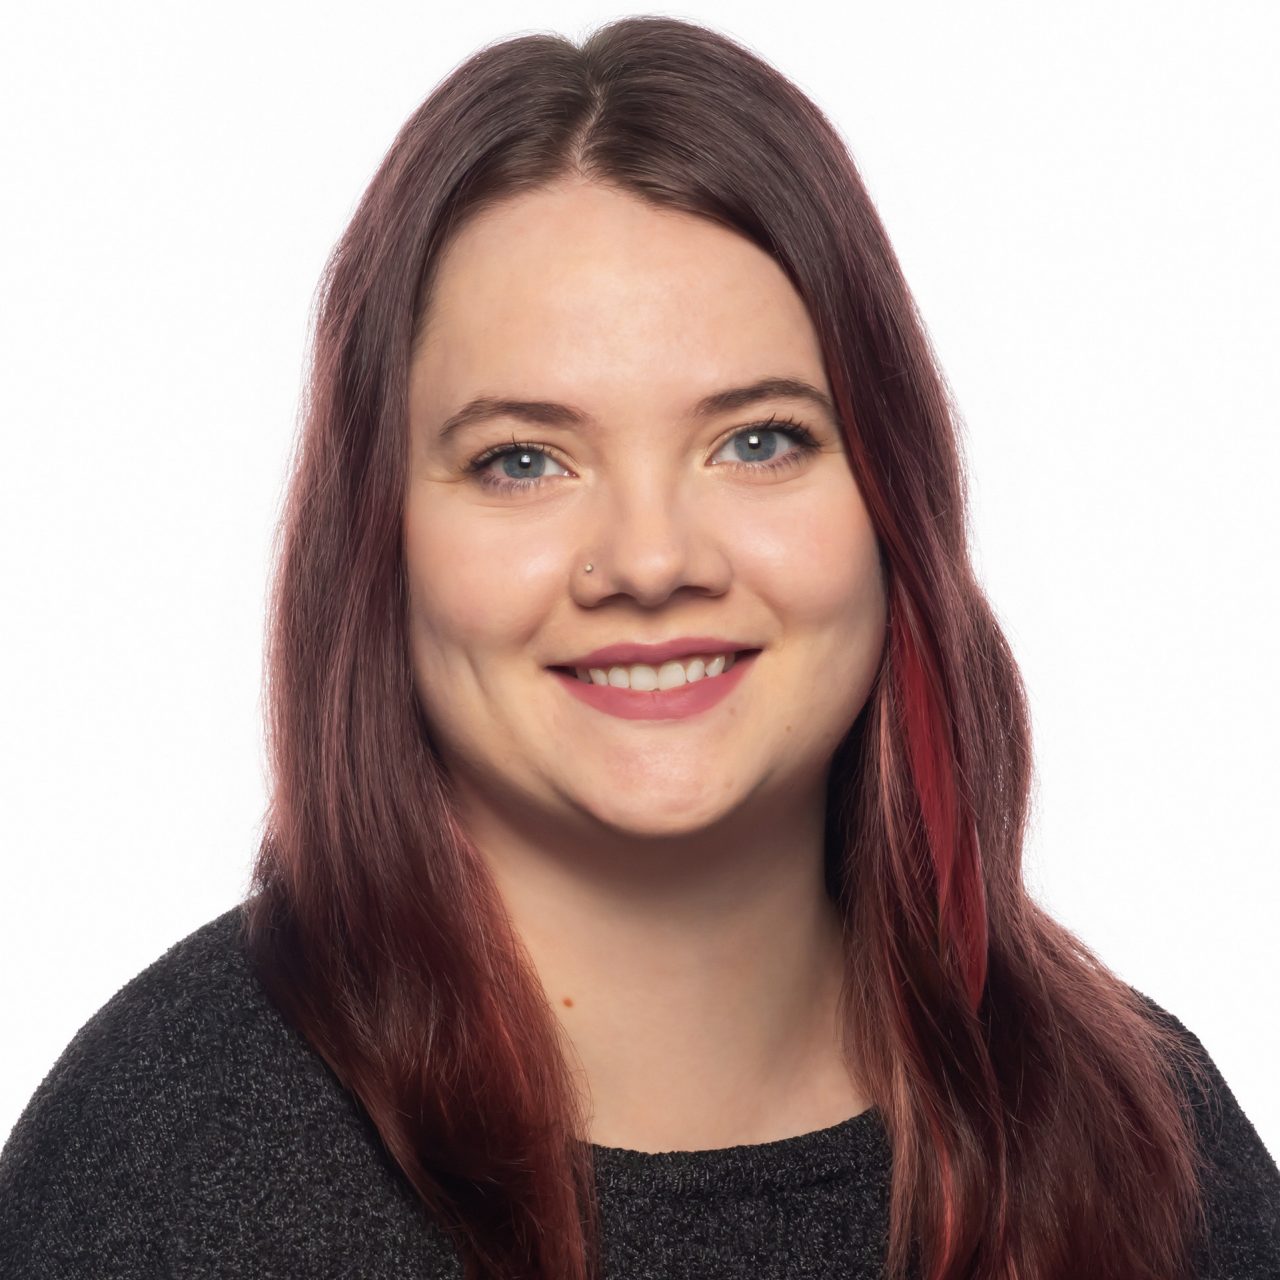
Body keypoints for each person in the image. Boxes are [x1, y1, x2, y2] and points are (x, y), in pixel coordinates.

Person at [2, 15, 1278, 1280]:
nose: (653, 558)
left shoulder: (1142, 1143)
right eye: (520, 459)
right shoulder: (168, 1169)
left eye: (759, 439)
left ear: (896, 494)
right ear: (376, 542)